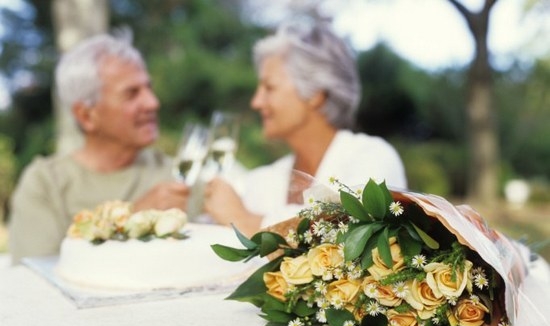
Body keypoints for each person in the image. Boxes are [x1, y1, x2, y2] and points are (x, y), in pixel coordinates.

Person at [203, 21, 407, 236]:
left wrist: (245, 220)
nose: (256, 102)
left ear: (315, 94)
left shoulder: (373, 157)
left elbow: (349, 234)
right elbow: (220, 224)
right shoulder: (263, 180)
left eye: (269, 87)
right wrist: (186, 207)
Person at [7, 33, 189, 264]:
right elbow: (39, 280)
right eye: (132, 93)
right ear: (86, 115)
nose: (153, 102)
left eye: (148, 88)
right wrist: (133, 221)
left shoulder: (177, 172)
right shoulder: (46, 183)